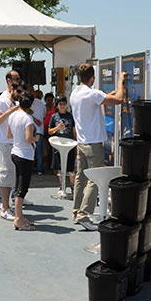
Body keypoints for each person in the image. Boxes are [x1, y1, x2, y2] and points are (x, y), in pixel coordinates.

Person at [69, 64, 127, 231]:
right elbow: (118, 100)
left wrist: (107, 94)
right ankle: (83, 214)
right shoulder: (92, 93)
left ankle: (76, 211)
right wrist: (120, 82)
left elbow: (102, 98)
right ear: (92, 78)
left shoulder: (76, 93)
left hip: (81, 142)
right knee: (93, 180)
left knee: (81, 178)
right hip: (94, 144)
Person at [0, 75, 23, 220]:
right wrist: (10, 111)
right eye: (19, 92)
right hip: (4, 144)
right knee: (4, 176)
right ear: (12, 89)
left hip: (16, 144)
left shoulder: (18, 104)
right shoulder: (1, 103)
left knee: (13, 177)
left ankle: (9, 205)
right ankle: (4, 208)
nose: (20, 96)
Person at [6, 90, 38, 231]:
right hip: (25, 155)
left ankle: (20, 215)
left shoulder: (13, 116)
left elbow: (9, 134)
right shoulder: (27, 119)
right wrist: (36, 138)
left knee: (18, 184)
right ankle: (18, 219)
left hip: (15, 152)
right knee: (22, 188)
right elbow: (29, 138)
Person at [48, 94, 77, 192]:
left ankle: (73, 186)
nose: (62, 106)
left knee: (71, 167)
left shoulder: (70, 116)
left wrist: (76, 143)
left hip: (69, 144)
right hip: (58, 145)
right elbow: (49, 131)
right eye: (60, 104)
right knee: (59, 167)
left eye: (64, 104)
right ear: (57, 105)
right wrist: (57, 128)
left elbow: (74, 130)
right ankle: (62, 186)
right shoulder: (54, 117)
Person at [31, 89, 46, 174]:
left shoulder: (31, 104)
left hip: (30, 129)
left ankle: (30, 168)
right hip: (39, 130)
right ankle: (39, 169)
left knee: (30, 151)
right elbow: (43, 117)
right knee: (39, 151)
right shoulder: (43, 106)